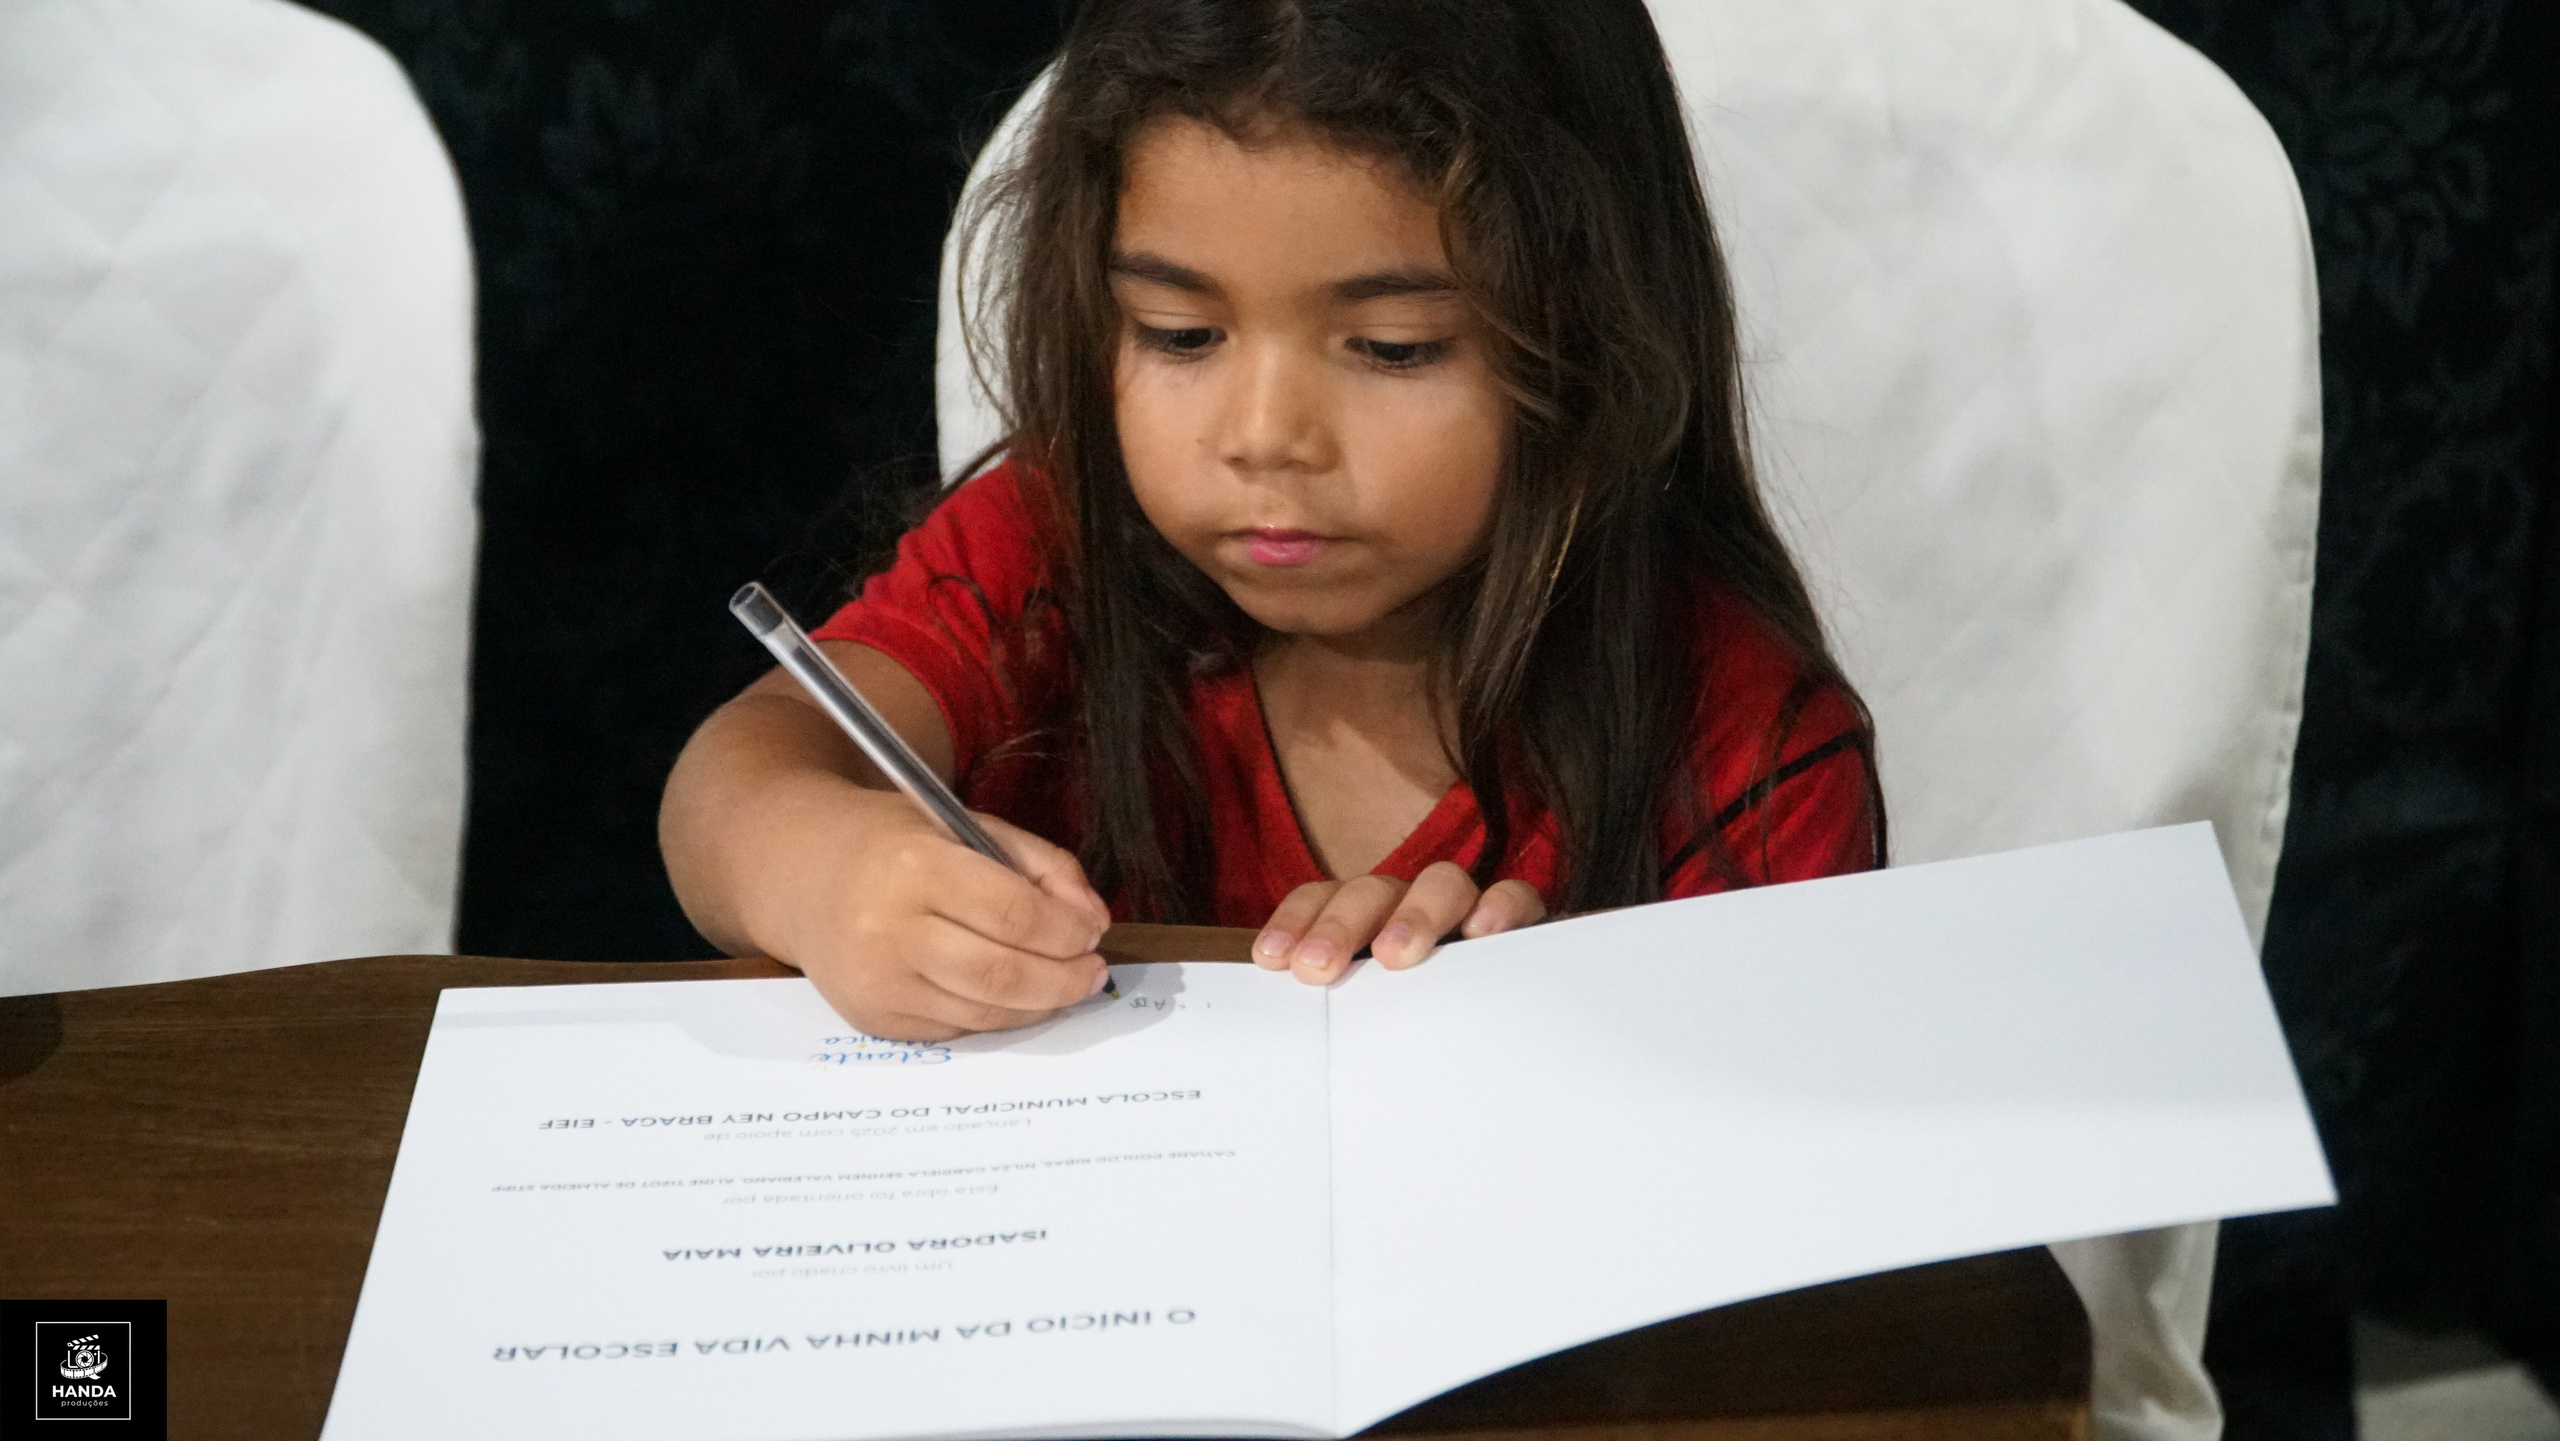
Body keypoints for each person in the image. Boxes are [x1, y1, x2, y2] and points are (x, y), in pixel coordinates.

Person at [660, 0, 1883, 1041]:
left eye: (1392, 349)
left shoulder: (1745, 751)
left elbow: (1799, 1220)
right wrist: (825, 869)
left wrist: (1531, 1035)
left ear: (1590, 339)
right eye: (1180, 334)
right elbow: (733, 776)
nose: (1265, 435)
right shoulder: (1054, 547)